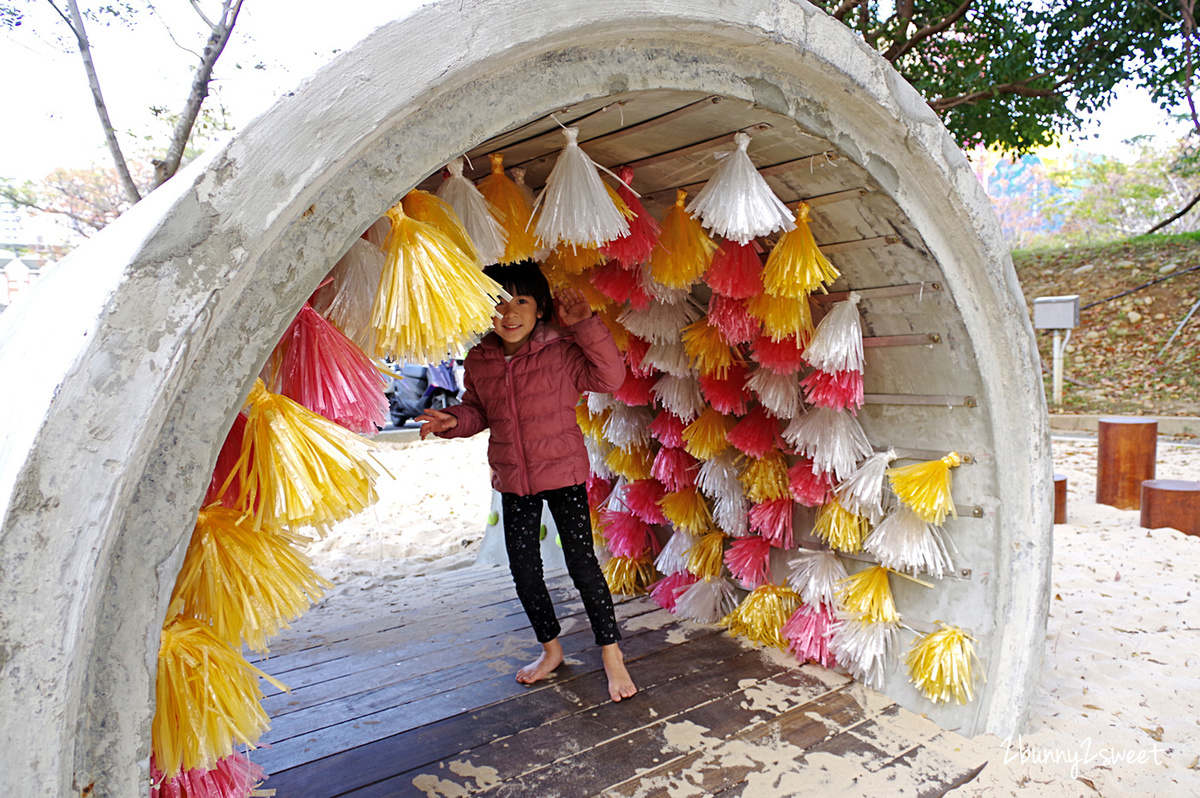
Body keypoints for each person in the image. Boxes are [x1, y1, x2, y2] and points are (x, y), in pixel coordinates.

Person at [416, 260, 637, 702]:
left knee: (582, 567)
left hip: (563, 473)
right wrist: (451, 420)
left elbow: (611, 378)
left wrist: (586, 326)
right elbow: (478, 410)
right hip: (512, 478)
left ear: (540, 309)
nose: (508, 312)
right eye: (497, 302)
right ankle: (550, 651)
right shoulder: (480, 359)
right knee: (524, 570)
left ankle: (612, 655)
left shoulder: (562, 349)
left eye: (520, 301)